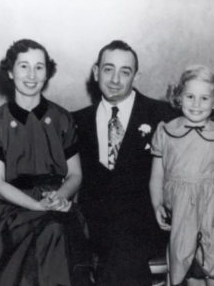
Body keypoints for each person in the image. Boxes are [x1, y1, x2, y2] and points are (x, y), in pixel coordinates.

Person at [0, 39, 89, 286]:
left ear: (47, 73)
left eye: (39, 67)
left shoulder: (62, 118)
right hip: (14, 210)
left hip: (56, 203)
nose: (31, 75)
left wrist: (60, 198)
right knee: (51, 231)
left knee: (57, 229)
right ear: (10, 71)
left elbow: (75, 174)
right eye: (23, 66)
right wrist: (37, 206)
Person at [73, 40, 178, 286]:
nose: (115, 80)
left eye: (125, 72)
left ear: (136, 76)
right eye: (108, 69)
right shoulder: (76, 121)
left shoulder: (164, 116)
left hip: (146, 226)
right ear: (96, 71)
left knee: (122, 247)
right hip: (93, 227)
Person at [150, 65, 214, 286]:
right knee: (179, 262)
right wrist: (158, 204)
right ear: (179, 97)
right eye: (190, 96)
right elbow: (157, 176)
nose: (197, 104)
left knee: (211, 259)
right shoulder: (166, 132)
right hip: (179, 211)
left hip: (210, 210)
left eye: (205, 98)